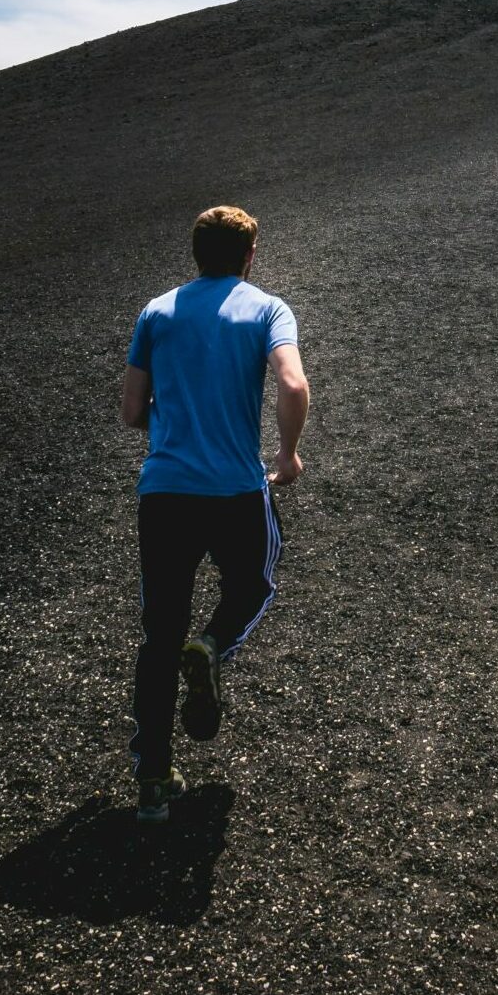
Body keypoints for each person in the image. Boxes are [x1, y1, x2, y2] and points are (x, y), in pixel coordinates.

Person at [121, 205, 310, 822]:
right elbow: (293, 385)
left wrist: (177, 428)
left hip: (166, 492)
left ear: (196, 253)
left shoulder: (156, 311)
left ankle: (153, 780)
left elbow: (131, 410)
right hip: (234, 490)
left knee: (159, 634)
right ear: (250, 255)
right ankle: (211, 644)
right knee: (253, 583)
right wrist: (286, 454)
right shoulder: (268, 310)